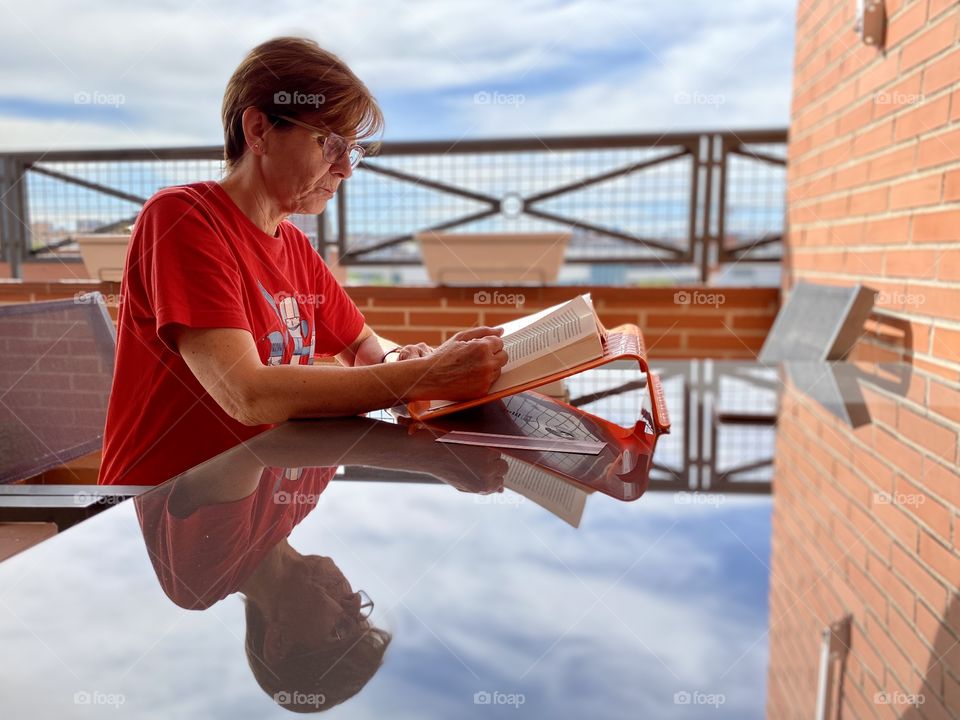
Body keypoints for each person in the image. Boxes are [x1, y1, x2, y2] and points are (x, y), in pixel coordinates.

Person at [98, 36, 507, 487]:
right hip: (166, 504)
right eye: (331, 144)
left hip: (264, 496)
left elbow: (363, 347)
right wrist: (426, 376)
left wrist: (399, 357)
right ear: (258, 131)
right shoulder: (182, 219)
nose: (346, 169)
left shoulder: (292, 243)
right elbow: (247, 394)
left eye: (351, 151)